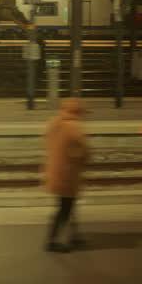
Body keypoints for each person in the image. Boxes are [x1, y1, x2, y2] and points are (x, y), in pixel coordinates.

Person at [42, 97, 90, 253]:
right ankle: (51, 241)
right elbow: (84, 150)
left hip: (54, 171)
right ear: (77, 112)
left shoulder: (54, 122)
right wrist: (85, 159)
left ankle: (74, 235)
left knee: (69, 206)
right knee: (65, 209)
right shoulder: (74, 127)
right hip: (67, 175)